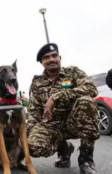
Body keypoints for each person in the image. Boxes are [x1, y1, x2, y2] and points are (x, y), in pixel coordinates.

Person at [27, 43, 99, 174]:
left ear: (60, 57)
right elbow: (34, 111)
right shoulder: (37, 83)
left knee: (86, 101)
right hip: (52, 126)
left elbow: (92, 89)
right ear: (42, 62)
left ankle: (86, 160)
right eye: (46, 57)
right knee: (32, 147)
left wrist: (57, 96)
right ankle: (64, 150)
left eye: (54, 56)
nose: (51, 59)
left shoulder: (73, 72)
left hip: (75, 122)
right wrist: (26, 132)